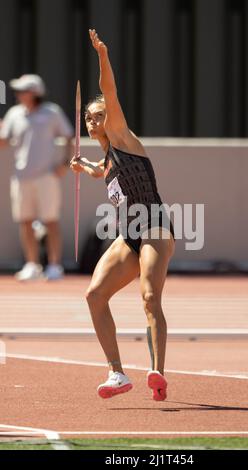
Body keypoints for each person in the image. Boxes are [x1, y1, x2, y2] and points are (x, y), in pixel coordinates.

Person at [70, 29, 175, 401]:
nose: (93, 121)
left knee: (149, 297)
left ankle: (157, 372)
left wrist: (102, 56)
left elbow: (109, 92)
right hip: (128, 234)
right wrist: (85, 166)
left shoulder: (122, 137)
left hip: (155, 227)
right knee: (94, 295)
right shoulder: (108, 158)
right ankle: (117, 373)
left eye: (97, 116)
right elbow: (104, 171)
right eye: (89, 118)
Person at [0, 75, 74, 281]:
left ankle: (54, 266)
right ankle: (32, 265)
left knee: (51, 221)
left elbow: (68, 135)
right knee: (25, 221)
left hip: (46, 177)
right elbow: (5, 140)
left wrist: (65, 163)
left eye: (23, 90)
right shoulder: (14, 114)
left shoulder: (52, 113)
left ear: (35, 93)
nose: (18, 94)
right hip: (21, 177)